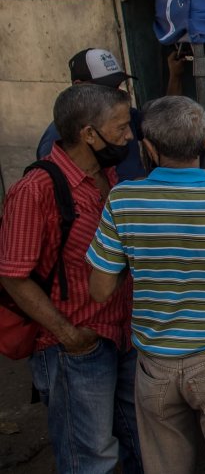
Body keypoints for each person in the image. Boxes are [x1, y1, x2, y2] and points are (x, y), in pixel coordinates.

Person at [87, 95, 205, 474]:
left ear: (148, 148)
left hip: (155, 361)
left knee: (165, 464)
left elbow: (100, 289)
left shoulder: (122, 201)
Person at [0, 84, 142, 474]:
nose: (129, 136)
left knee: (138, 441)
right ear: (89, 134)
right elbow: (13, 276)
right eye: (120, 127)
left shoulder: (109, 177)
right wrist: (69, 335)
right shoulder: (34, 190)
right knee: (89, 458)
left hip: (122, 335)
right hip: (75, 348)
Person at [36, 48, 185, 181]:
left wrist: (175, 76)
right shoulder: (56, 141)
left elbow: (165, 119)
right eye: (107, 88)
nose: (129, 135)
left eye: (117, 86)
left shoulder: (125, 115)